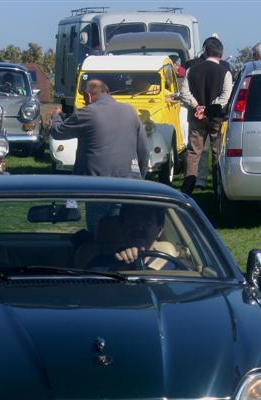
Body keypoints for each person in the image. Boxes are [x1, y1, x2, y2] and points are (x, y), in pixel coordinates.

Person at [49, 78, 148, 179]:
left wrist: (56, 116)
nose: (85, 103)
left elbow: (58, 132)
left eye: (85, 100)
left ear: (89, 96)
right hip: (129, 180)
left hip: (96, 182)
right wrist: (140, 176)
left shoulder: (87, 113)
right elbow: (143, 150)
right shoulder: (130, 111)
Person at [172, 36, 233, 194]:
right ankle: (218, 187)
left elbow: (184, 93)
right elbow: (226, 96)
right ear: (221, 52)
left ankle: (188, 186)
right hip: (217, 118)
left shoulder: (192, 70)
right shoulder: (225, 71)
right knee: (217, 152)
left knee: (194, 152)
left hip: (196, 117)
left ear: (205, 51)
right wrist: (209, 108)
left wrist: (197, 106)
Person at [89, 204, 177, 271]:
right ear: (122, 227)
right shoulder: (100, 264)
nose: (138, 227)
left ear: (159, 230)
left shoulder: (173, 268)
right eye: (132, 220)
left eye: (147, 221)